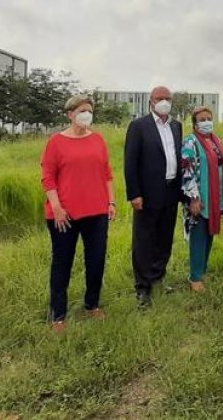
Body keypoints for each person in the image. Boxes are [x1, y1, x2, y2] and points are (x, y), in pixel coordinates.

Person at [40, 94, 117, 332]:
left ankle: (92, 304)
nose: (87, 115)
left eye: (89, 111)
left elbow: (107, 173)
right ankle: (58, 315)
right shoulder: (56, 142)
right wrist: (57, 207)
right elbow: (48, 177)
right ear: (70, 114)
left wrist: (111, 202)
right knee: (62, 263)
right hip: (65, 215)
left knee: (96, 260)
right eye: (82, 110)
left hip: (97, 212)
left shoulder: (98, 140)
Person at [124, 86, 184, 308]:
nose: (164, 102)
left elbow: (179, 158)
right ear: (151, 101)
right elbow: (130, 163)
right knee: (144, 240)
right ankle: (143, 287)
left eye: (168, 98)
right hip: (147, 193)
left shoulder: (177, 126)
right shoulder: (139, 127)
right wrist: (134, 193)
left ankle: (158, 277)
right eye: (160, 98)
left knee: (164, 237)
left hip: (171, 191)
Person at [180, 106, 223, 292]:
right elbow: (187, 171)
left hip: (215, 197)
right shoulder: (190, 142)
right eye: (202, 119)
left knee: (209, 234)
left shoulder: (217, 141)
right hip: (199, 198)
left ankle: (202, 271)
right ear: (195, 123)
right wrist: (193, 198)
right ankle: (195, 278)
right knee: (199, 235)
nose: (206, 121)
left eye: (209, 118)